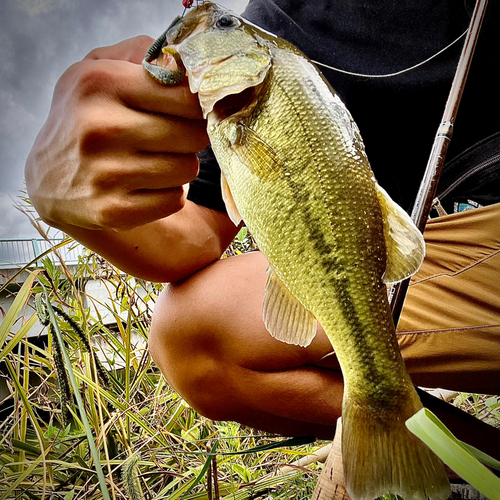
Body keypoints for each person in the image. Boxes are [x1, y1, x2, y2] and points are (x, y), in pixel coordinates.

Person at [26, 0, 500, 449]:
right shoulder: (271, 28)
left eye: (223, 28)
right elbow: (195, 234)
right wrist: (66, 203)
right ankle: (472, 461)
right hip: (459, 259)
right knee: (193, 333)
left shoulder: (265, 56)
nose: (214, 23)